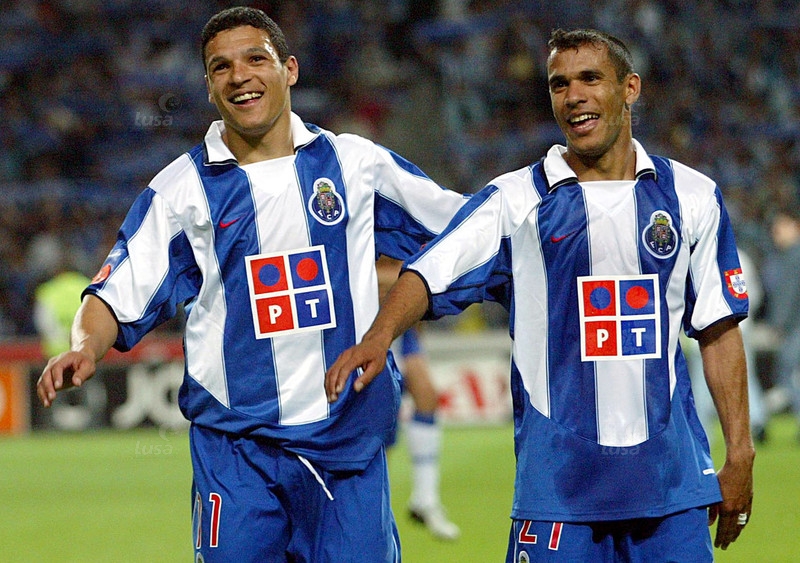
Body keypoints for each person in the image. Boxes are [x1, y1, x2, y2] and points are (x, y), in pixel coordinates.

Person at [36, 7, 467, 562]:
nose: (239, 75)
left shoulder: (355, 165)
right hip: (236, 453)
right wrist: (84, 347)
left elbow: (466, 231)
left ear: (290, 69)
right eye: (221, 67)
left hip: (345, 446)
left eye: (255, 59)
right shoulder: (182, 190)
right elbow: (115, 292)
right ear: (209, 86)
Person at [327, 28, 755, 561]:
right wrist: (378, 336)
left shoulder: (692, 197)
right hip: (558, 494)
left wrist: (740, 451)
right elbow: (429, 271)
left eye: (590, 78)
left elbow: (719, 329)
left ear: (630, 88)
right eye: (559, 84)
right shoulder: (516, 201)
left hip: (671, 489)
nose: (573, 95)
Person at [377, 256, 460, 541]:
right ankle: (378, 511)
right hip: (365, 329)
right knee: (380, 427)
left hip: (401, 330)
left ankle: (425, 498)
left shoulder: (405, 237)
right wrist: (403, 280)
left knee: (427, 395)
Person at [764, 206, 800, 440]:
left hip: (795, 326)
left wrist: (778, 323)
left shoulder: (794, 255)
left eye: (780, 228)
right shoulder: (786, 255)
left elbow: (788, 293)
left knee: (788, 373)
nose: (775, 233)